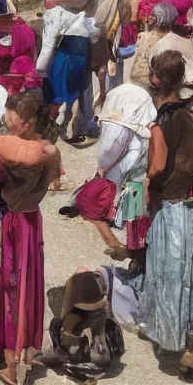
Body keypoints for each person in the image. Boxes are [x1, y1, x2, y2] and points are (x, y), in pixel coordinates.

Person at [0, 91, 60, 385]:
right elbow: (53, 177)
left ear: (26, 125)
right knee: (28, 287)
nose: (5, 122)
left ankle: (10, 365)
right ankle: (24, 354)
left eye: (11, 119)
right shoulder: (49, 150)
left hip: (11, 226)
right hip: (32, 221)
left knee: (9, 291)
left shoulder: (13, 150)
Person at [141, 50, 193, 376]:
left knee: (172, 278)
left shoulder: (163, 121)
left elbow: (157, 167)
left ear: (156, 79)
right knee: (192, 278)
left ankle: (180, 345)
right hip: (192, 208)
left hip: (169, 208)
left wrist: (145, 178)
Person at [70, 83, 157, 261]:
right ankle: (136, 246)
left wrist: (102, 170)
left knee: (88, 202)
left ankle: (129, 246)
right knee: (137, 203)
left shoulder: (119, 128)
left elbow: (108, 155)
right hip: (140, 175)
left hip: (126, 177)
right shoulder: (148, 126)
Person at [40, 0, 110, 139]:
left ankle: (65, 124)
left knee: (66, 83)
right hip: (80, 32)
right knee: (78, 82)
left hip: (76, 35)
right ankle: (81, 122)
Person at [130, 2, 193, 89]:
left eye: (153, 15)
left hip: (144, 86)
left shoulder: (144, 37)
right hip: (159, 86)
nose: (150, 17)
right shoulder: (181, 40)